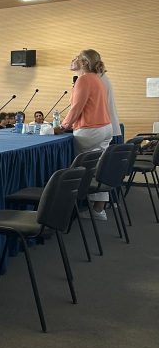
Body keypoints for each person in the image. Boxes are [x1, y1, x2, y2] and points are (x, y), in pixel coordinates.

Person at [62, 49, 113, 220]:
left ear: (84, 63)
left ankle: (67, 208)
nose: (72, 59)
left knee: (83, 169)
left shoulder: (84, 79)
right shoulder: (97, 79)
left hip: (90, 129)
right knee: (97, 168)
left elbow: (77, 107)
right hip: (105, 127)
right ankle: (99, 209)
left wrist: (64, 125)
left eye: (76, 58)